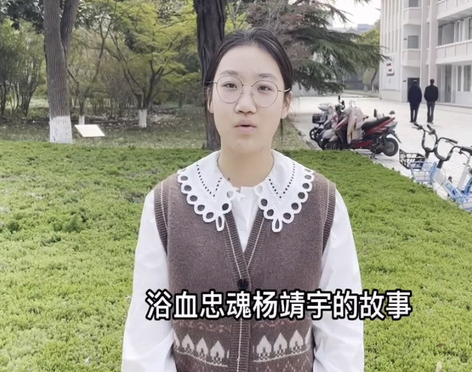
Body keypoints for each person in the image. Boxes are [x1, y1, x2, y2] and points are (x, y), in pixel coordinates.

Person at [121, 28, 364, 371]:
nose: (245, 105)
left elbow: (342, 342)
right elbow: (146, 345)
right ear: (210, 98)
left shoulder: (322, 204)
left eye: (264, 88)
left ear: (285, 103)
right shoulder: (166, 205)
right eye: (230, 85)